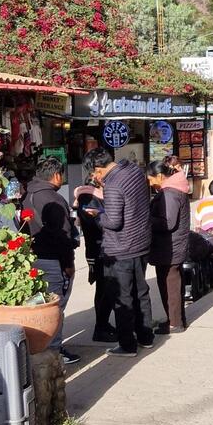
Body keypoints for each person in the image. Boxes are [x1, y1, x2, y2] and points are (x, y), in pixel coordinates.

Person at [89, 151, 154, 357]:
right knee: (141, 291)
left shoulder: (113, 184)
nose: (95, 178)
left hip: (121, 249)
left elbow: (114, 221)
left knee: (122, 297)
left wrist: (97, 215)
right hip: (141, 242)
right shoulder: (135, 170)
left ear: (98, 170)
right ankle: (146, 337)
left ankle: (127, 345)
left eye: (94, 174)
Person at [32, 201, 79, 364]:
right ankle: (55, 350)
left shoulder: (36, 237)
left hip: (38, 280)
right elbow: (69, 268)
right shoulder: (63, 239)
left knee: (39, 310)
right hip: (56, 278)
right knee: (56, 312)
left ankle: (40, 345)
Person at [148, 161, 190, 334]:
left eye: (151, 179)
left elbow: (168, 222)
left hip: (169, 247)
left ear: (159, 176)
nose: (150, 183)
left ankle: (175, 323)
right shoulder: (173, 190)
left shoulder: (170, 193)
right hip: (171, 246)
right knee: (171, 285)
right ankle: (175, 319)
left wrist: (146, 219)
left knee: (170, 286)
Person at [74, 176, 115, 342]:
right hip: (98, 250)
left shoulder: (95, 196)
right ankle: (100, 328)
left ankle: (104, 324)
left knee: (106, 288)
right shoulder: (88, 197)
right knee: (104, 289)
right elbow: (95, 223)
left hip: (102, 248)